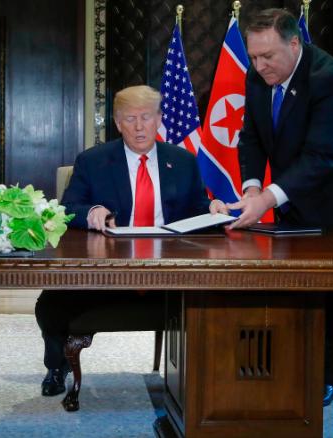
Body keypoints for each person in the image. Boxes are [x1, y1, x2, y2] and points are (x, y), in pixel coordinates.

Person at [230, 8, 333, 406]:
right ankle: (285, 366)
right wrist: (253, 188)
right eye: (253, 57)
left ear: (294, 42)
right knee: (291, 284)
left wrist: (269, 197)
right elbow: (251, 135)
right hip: (295, 192)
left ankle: (327, 379)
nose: (259, 65)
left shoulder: (332, 79)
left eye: (268, 56)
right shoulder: (258, 74)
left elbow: (321, 156)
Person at [35, 85, 228, 396]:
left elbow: (195, 205)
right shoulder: (93, 161)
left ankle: (212, 375)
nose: (139, 127)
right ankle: (56, 366)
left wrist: (212, 206)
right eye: (130, 119)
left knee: (226, 295)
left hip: (171, 270)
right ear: (117, 122)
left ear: (159, 119)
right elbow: (68, 209)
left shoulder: (182, 160)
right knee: (50, 302)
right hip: (110, 269)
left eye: (147, 118)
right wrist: (93, 211)